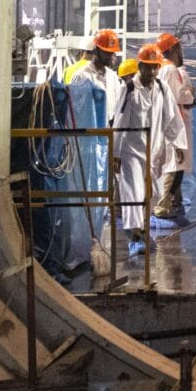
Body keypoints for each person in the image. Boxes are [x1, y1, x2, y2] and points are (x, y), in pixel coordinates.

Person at [63, 30, 125, 268]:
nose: (112, 57)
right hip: (88, 142)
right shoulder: (81, 76)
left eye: (113, 53)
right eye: (107, 52)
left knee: (105, 191)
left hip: (108, 137)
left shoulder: (113, 77)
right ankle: (82, 243)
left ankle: (98, 236)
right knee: (88, 190)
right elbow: (76, 112)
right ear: (96, 50)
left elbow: (117, 110)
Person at [115, 44, 176, 249]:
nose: (151, 71)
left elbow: (171, 118)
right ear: (139, 65)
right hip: (131, 152)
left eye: (155, 67)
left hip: (154, 150)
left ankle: (142, 228)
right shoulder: (129, 89)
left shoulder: (162, 88)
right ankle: (134, 236)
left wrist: (177, 145)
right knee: (133, 194)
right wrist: (116, 153)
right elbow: (120, 121)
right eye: (147, 66)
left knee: (154, 193)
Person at [153, 32, 196, 223]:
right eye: (178, 48)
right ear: (171, 49)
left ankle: (173, 200)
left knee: (172, 163)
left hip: (166, 123)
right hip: (173, 124)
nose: (181, 52)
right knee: (174, 164)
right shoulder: (169, 70)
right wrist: (190, 93)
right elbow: (180, 96)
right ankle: (163, 205)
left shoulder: (160, 69)